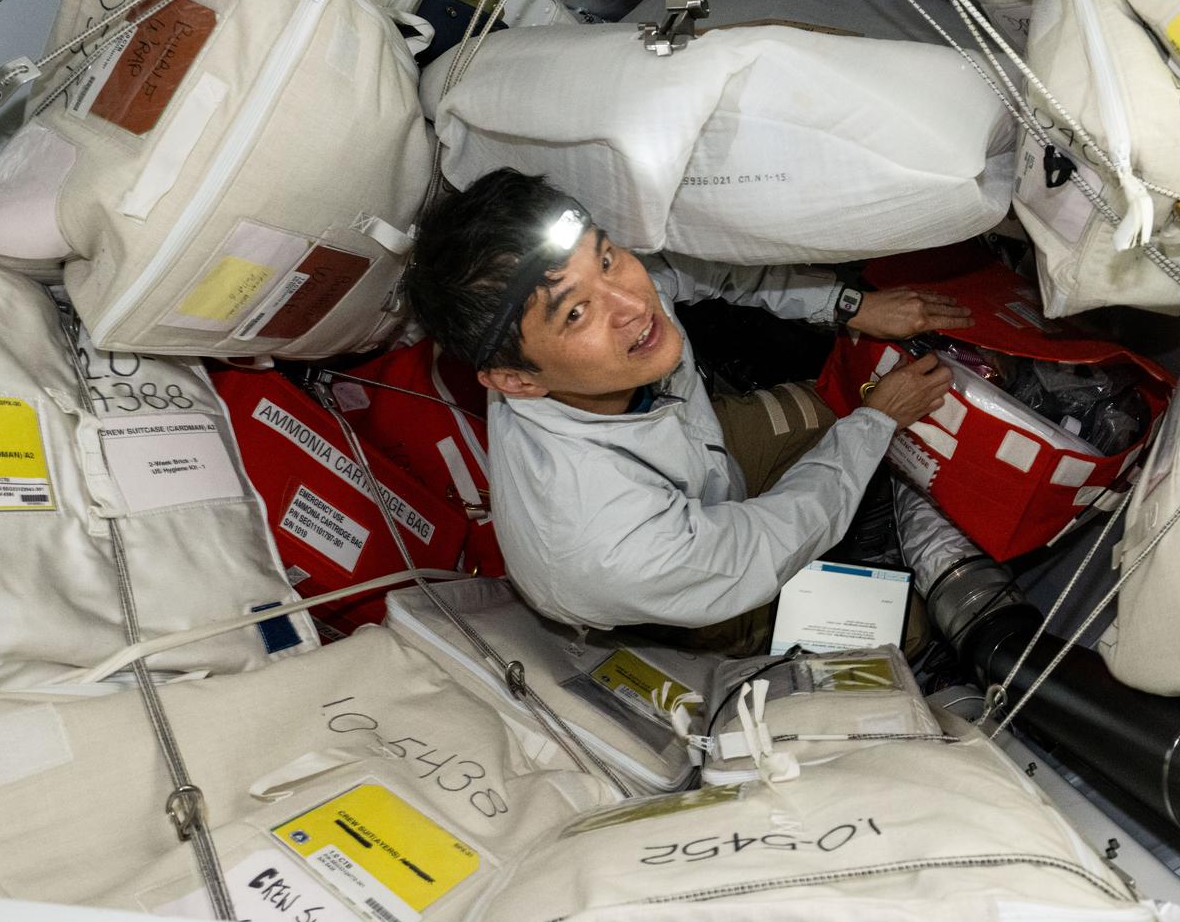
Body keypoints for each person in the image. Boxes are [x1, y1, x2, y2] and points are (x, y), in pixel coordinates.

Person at [404, 169, 968, 652]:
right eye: (576, 313)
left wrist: (851, 306)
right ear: (514, 380)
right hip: (685, 595)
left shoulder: (616, 305)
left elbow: (703, 267)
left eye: (605, 258)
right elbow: (769, 540)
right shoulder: (607, 545)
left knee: (834, 405)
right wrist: (876, 423)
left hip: (700, 444)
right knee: (904, 627)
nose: (633, 303)